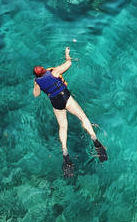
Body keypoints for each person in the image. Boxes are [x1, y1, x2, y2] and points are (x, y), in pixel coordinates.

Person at [32, 47, 108, 178]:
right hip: (65, 97)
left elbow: (36, 94)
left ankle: (65, 152)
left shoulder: (37, 81)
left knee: (63, 126)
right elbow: (69, 64)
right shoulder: (54, 72)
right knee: (82, 117)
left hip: (56, 102)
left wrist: (36, 83)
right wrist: (67, 54)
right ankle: (94, 139)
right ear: (44, 70)